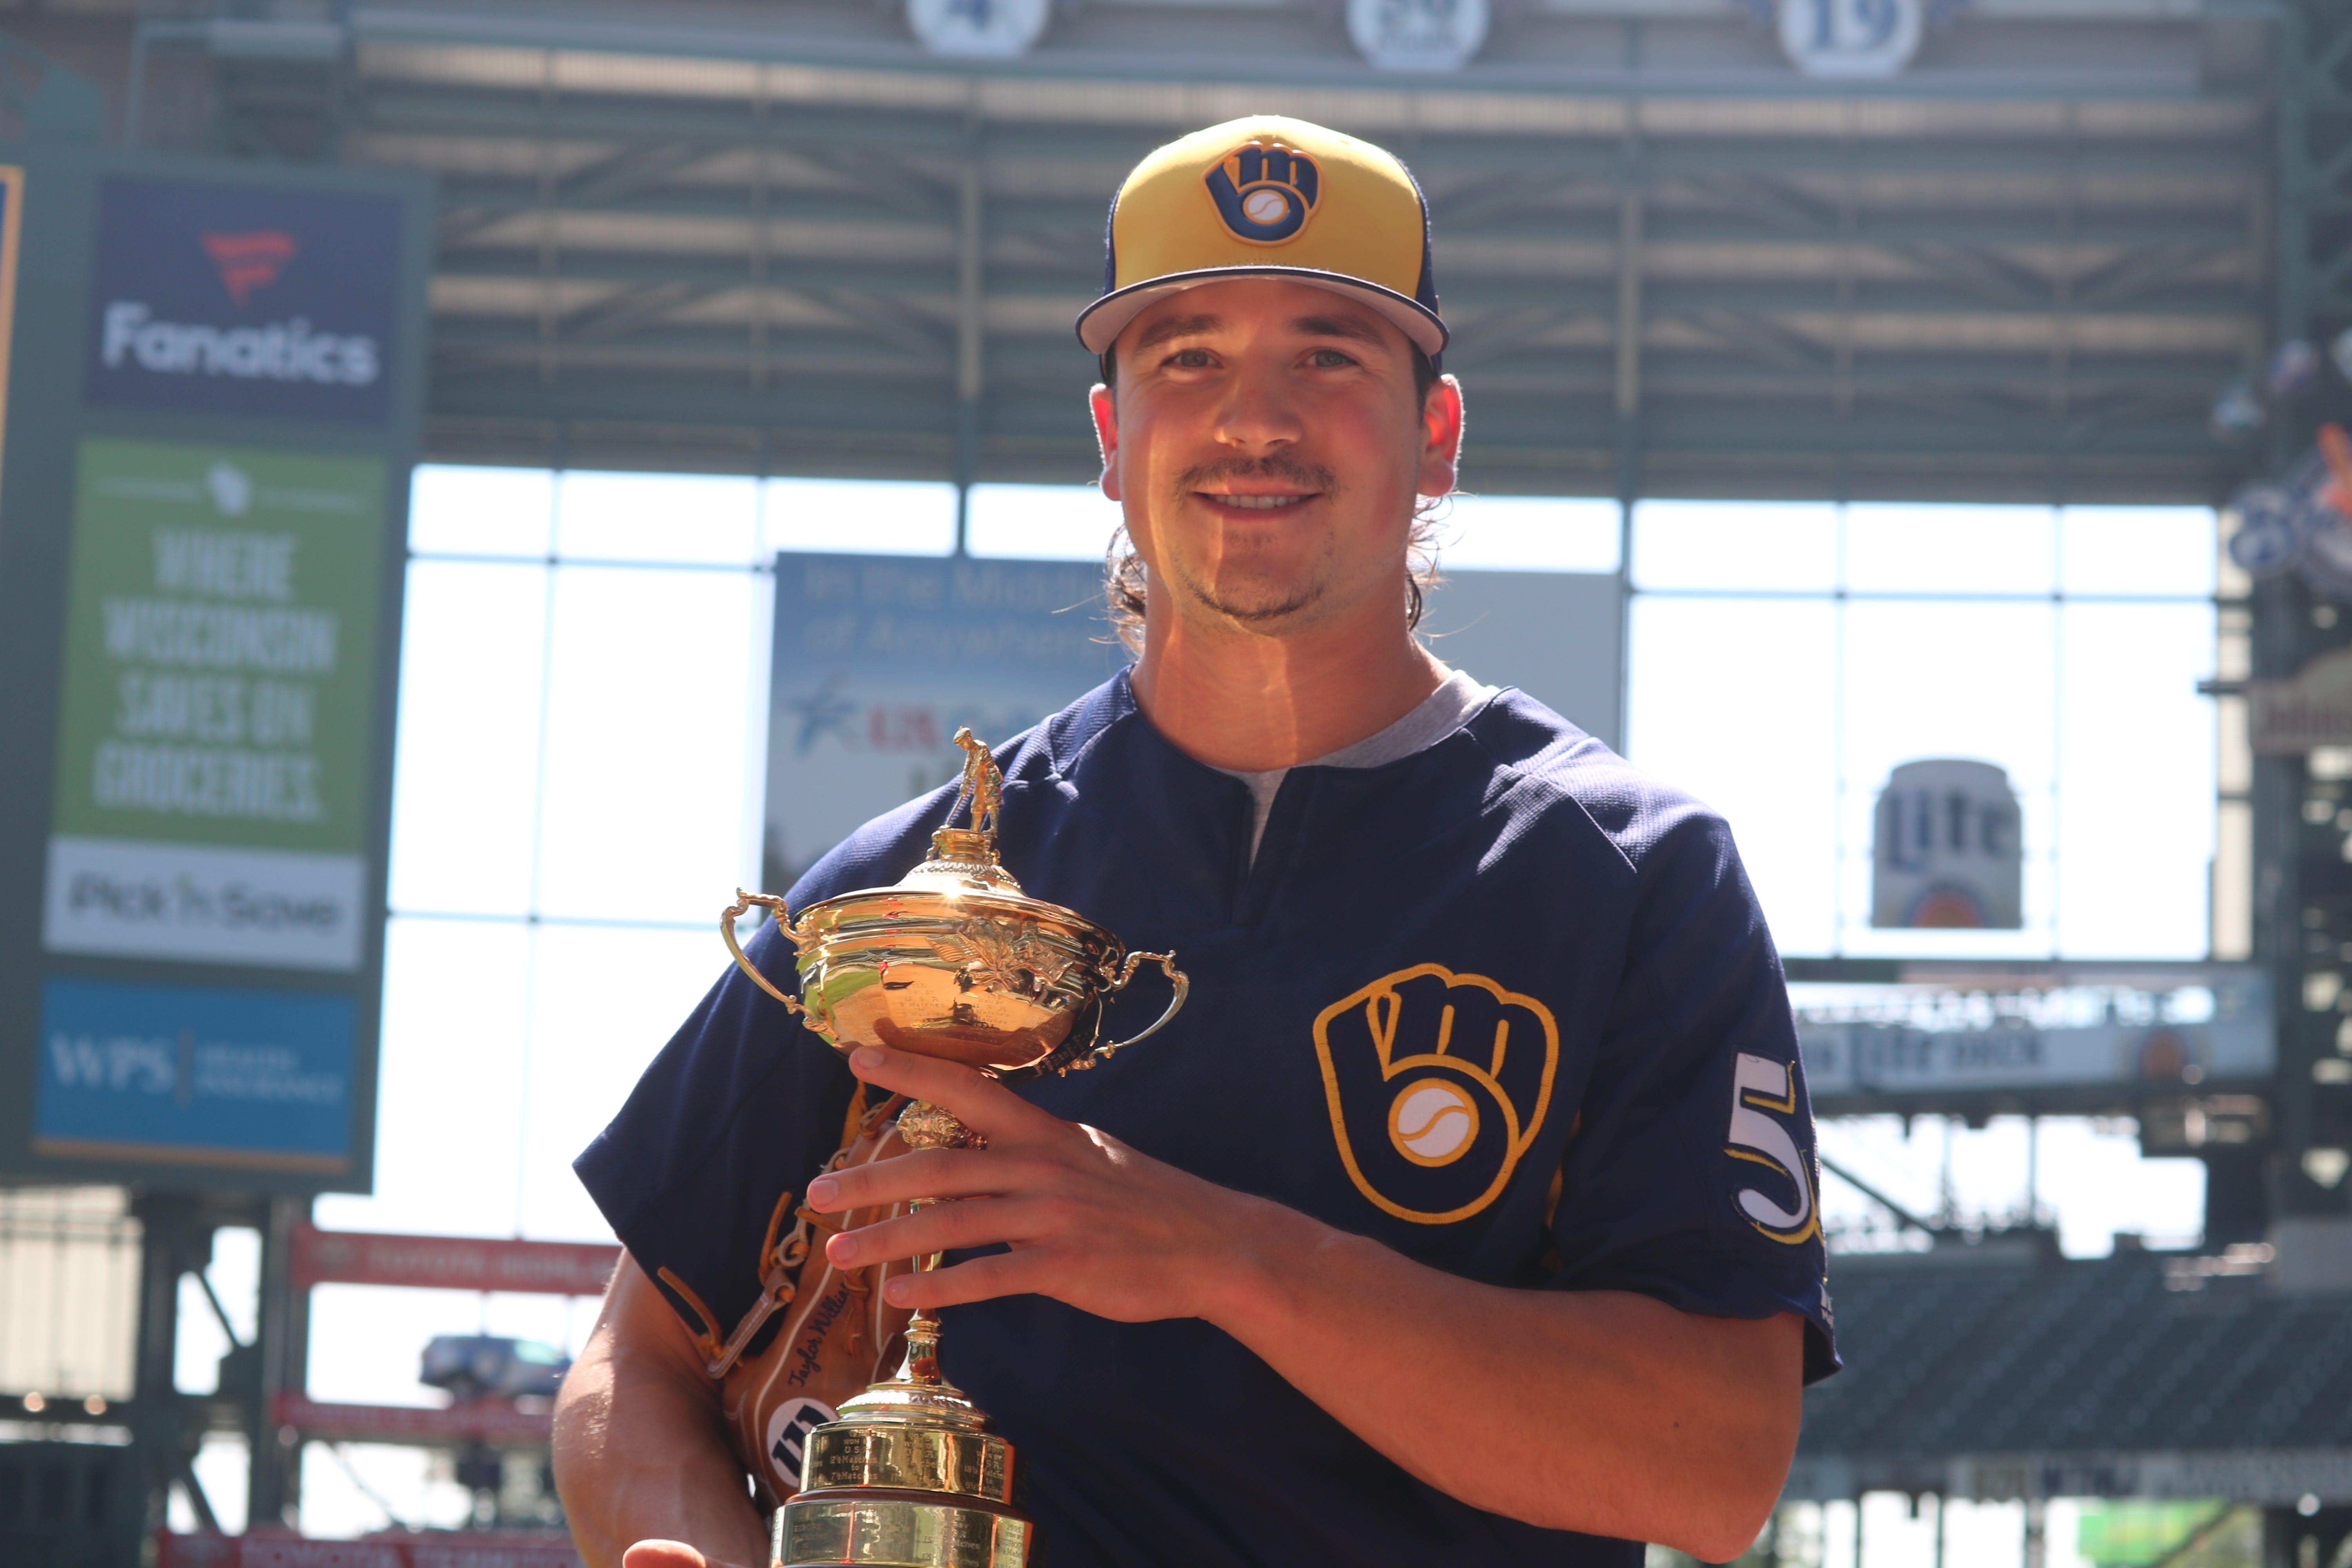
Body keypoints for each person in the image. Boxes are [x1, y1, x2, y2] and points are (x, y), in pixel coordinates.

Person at [553, 114, 1836, 1568]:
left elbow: (1716, 1468)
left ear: (1438, 435)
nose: (1255, 422)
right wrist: (692, 1546)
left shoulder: (1631, 876)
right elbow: (630, 1369)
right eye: (1188, 359)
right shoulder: (912, 898)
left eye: (1330, 356)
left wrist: (1216, 1254)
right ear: (1113, 439)